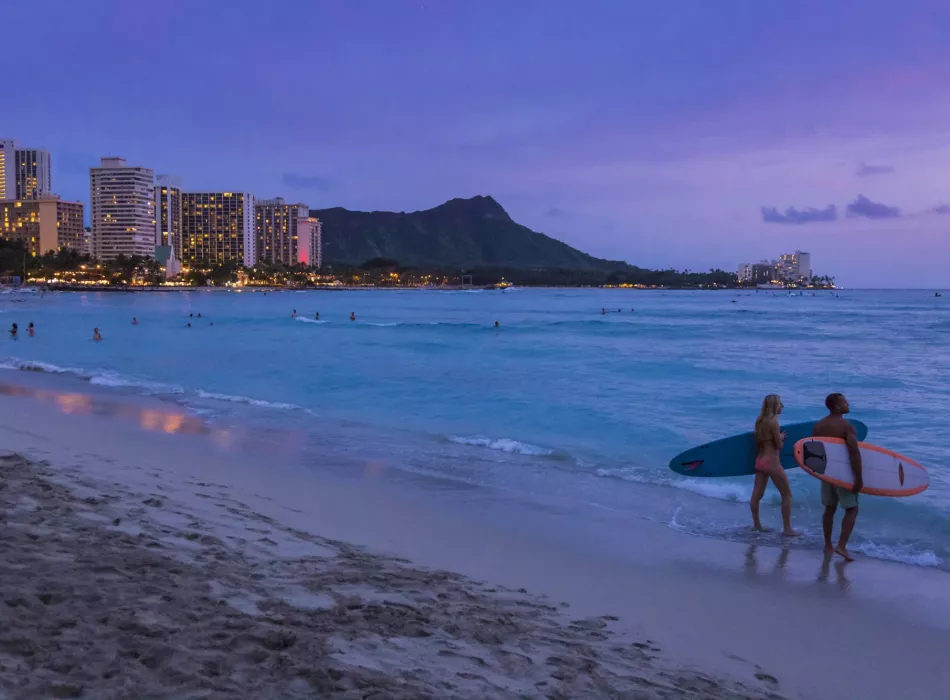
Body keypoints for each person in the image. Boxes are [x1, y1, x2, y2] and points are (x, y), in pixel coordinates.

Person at [813, 393, 863, 561]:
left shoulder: (819, 426)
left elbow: (813, 453)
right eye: (845, 402)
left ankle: (828, 545)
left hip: (827, 473)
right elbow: (854, 454)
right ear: (837, 407)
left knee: (829, 508)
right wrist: (859, 478)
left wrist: (820, 473)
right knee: (852, 509)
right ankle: (841, 546)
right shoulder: (846, 427)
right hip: (843, 474)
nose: (848, 404)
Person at [750, 394, 798, 536]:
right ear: (774, 406)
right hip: (772, 462)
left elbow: (759, 442)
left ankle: (757, 525)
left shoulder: (759, 421)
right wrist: (781, 437)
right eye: (780, 404)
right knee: (787, 494)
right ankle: (788, 529)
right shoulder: (774, 422)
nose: (782, 406)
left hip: (759, 461)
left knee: (756, 496)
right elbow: (779, 445)